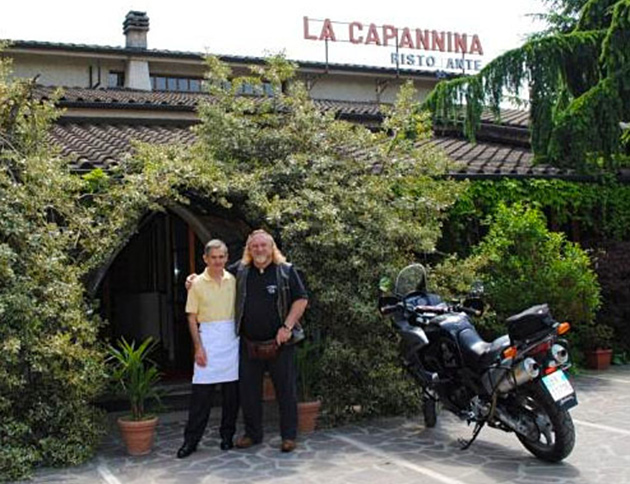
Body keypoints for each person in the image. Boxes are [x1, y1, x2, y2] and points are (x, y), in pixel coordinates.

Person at [232, 229, 309, 453]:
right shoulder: (240, 271)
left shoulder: (285, 271)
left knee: (286, 391)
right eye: (254, 246)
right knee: (248, 393)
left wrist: (287, 327)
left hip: (281, 344)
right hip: (249, 344)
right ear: (249, 249)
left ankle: (288, 436)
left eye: (263, 245)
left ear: (271, 247)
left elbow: (301, 300)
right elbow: (216, 275)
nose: (259, 250)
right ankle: (252, 434)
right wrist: (193, 279)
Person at [176, 239, 239, 459]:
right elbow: (192, 318)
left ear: (227, 258)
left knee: (232, 396)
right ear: (205, 258)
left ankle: (227, 436)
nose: (218, 261)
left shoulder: (233, 280)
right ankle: (191, 441)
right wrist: (198, 348)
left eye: (222, 257)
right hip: (208, 340)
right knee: (201, 396)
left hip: (232, 340)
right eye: (213, 257)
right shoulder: (196, 283)